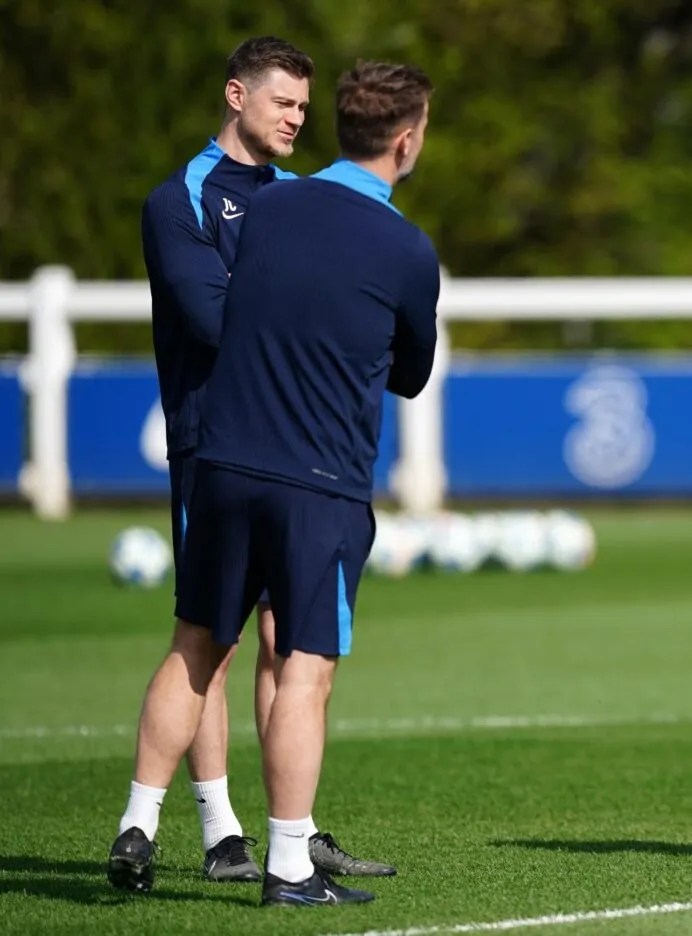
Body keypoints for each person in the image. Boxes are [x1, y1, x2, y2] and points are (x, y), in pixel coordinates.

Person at [111, 59, 439, 908]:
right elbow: (410, 372)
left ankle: (145, 822)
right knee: (303, 662)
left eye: (303, 104)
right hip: (309, 471)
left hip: (228, 459)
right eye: (278, 100)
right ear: (407, 139)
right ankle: (275, 854)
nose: (289, 116)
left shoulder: (275, 205)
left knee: (201, 641)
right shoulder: (401, 243)